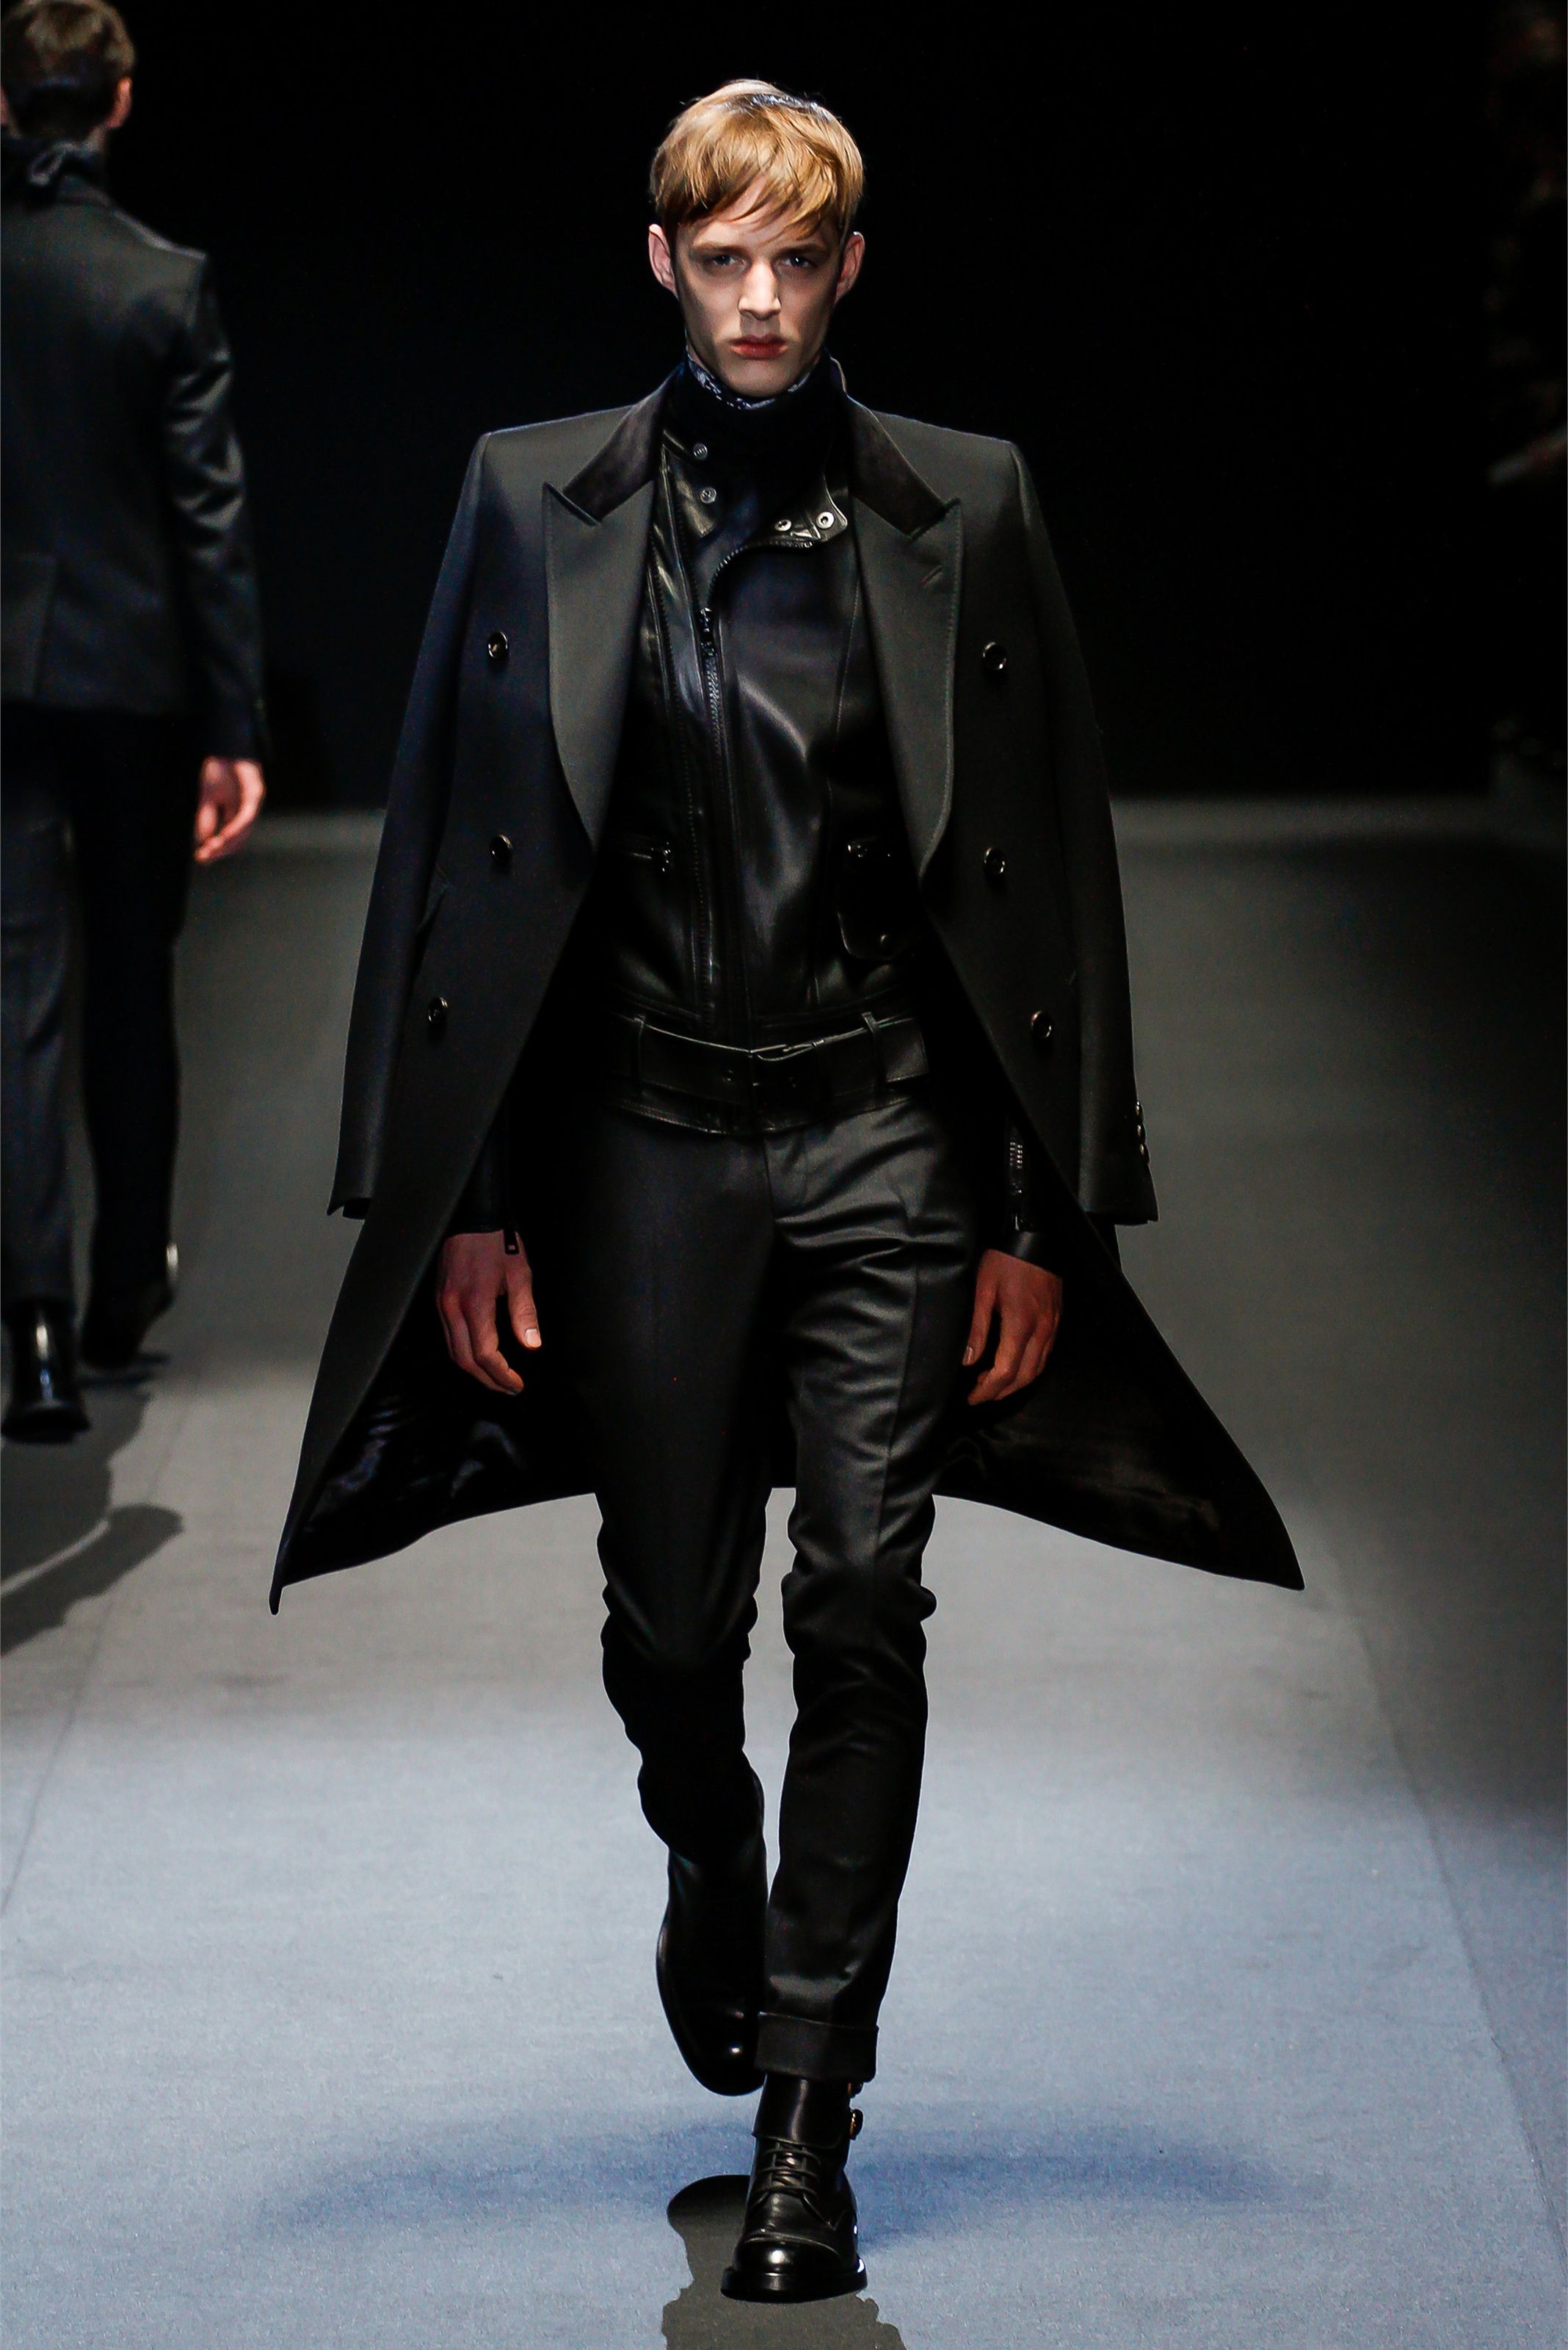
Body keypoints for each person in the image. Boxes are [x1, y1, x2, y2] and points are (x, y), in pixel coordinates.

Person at [272, 83, 1299, 2304]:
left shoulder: (964, 503)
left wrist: (1035, 1208)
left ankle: (812, 2109)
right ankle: (707, 1852)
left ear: (848, 270)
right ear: (662, 263)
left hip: (887, 1134)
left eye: (796, 263)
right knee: (671, 1626)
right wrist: (461, 1194)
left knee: (862, 1600)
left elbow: (1046, 865)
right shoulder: (531, 494)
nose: (758, 302)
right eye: (721, 261)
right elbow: (455, 843)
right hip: (638, 1136)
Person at [0, 0, 267, 1440]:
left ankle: (35, 1329)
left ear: (2, 106)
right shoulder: (164, 284)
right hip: (131, 682)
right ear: (117, 103)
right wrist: (235, 725)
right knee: (128, 982)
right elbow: (206, 521)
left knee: (17, 997)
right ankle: (118, 1294)